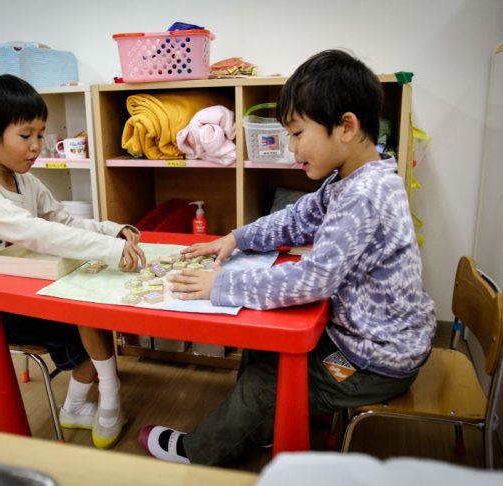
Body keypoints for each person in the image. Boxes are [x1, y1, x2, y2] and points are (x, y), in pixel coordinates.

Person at [138, 49, 436, 466]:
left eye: (297, 134)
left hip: (375, 360)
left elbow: (311, 280)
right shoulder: (349, 180)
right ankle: (261, 428)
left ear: (346, 127)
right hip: (364, 340)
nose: (291, 147)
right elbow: (296, 219)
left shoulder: (365, 195)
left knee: (266, 382)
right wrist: (237, 238)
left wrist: (221, 284)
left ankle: (201, 451)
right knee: (262, 348)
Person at [0, 74, 146, 449]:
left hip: (28, 284)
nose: (36, 146)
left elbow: (64, 221)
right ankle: (105, 396)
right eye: (26, 136)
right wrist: (108, 250)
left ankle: (80, 404)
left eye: (41, 135)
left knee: (93, 309)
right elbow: (36, 233)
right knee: (86, 314)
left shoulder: (26, 182)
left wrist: (111, 231)